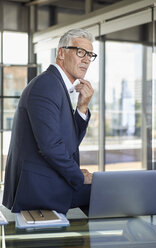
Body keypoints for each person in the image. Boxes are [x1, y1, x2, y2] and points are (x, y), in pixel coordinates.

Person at [2, 28, 97, 214]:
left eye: (90, 55)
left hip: (50, 182)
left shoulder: (57, 85)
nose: (86, 59)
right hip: (39, 189)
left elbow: (69, 143)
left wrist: (82, 108)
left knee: (108, 195)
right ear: (61, 53)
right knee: (110, 194)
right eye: (81, 52)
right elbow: (50, 146)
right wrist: (78, 176)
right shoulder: (47, 85)